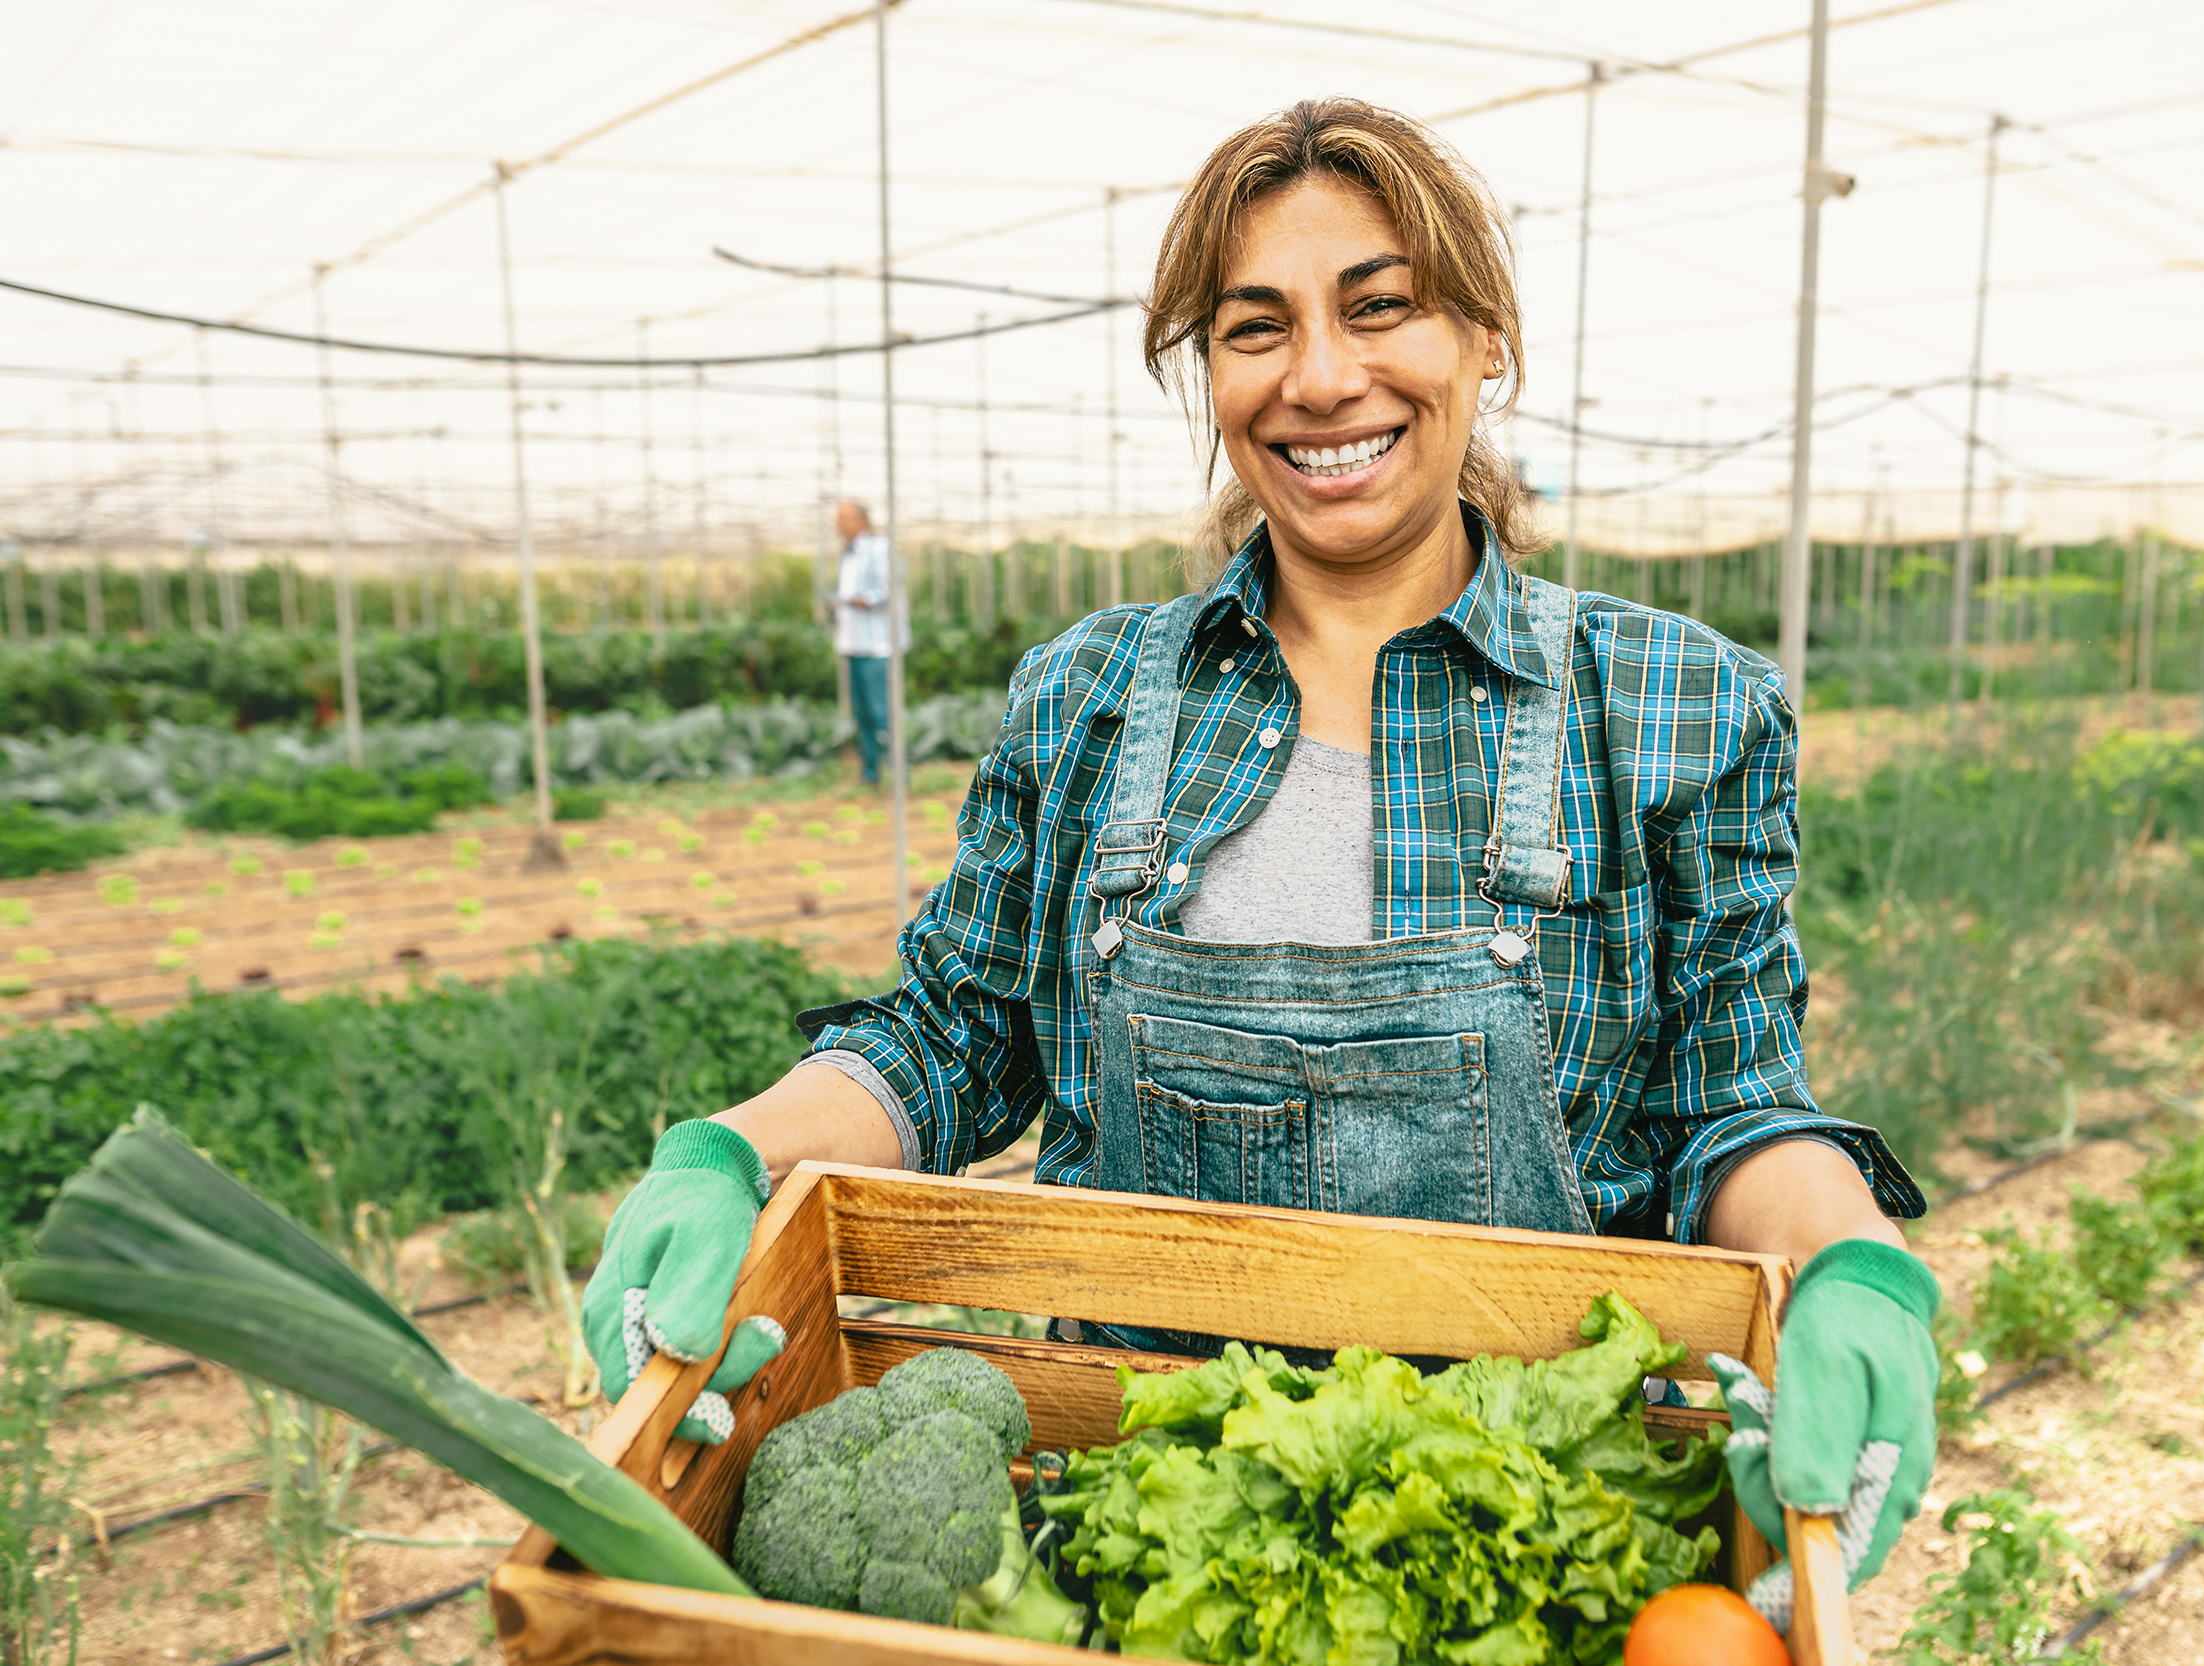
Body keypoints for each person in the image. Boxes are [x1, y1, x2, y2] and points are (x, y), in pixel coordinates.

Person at [585, 99, 1938, 1609]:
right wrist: (733, 1148)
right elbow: (957, 1033)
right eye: (1254, 329)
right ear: (1208, 373)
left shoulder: (1673, 703)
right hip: (1145, 1535)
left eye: (1381, 309)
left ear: (1485, 338)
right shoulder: (1094, 693)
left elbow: (1730, 1107)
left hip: (1527, 1552)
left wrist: (1848, 1259)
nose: (1319, 378)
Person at [831, 499, 899, 786]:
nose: (837, 525)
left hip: (876, 645)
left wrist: (857, 600)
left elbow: (887, 589)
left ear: (860, 521)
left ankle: (897, 772)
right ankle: (870, 772)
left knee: (880, 712)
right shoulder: (849, 553)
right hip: (853, 644)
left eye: (842, 519)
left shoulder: (879, 548)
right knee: (862, 714)